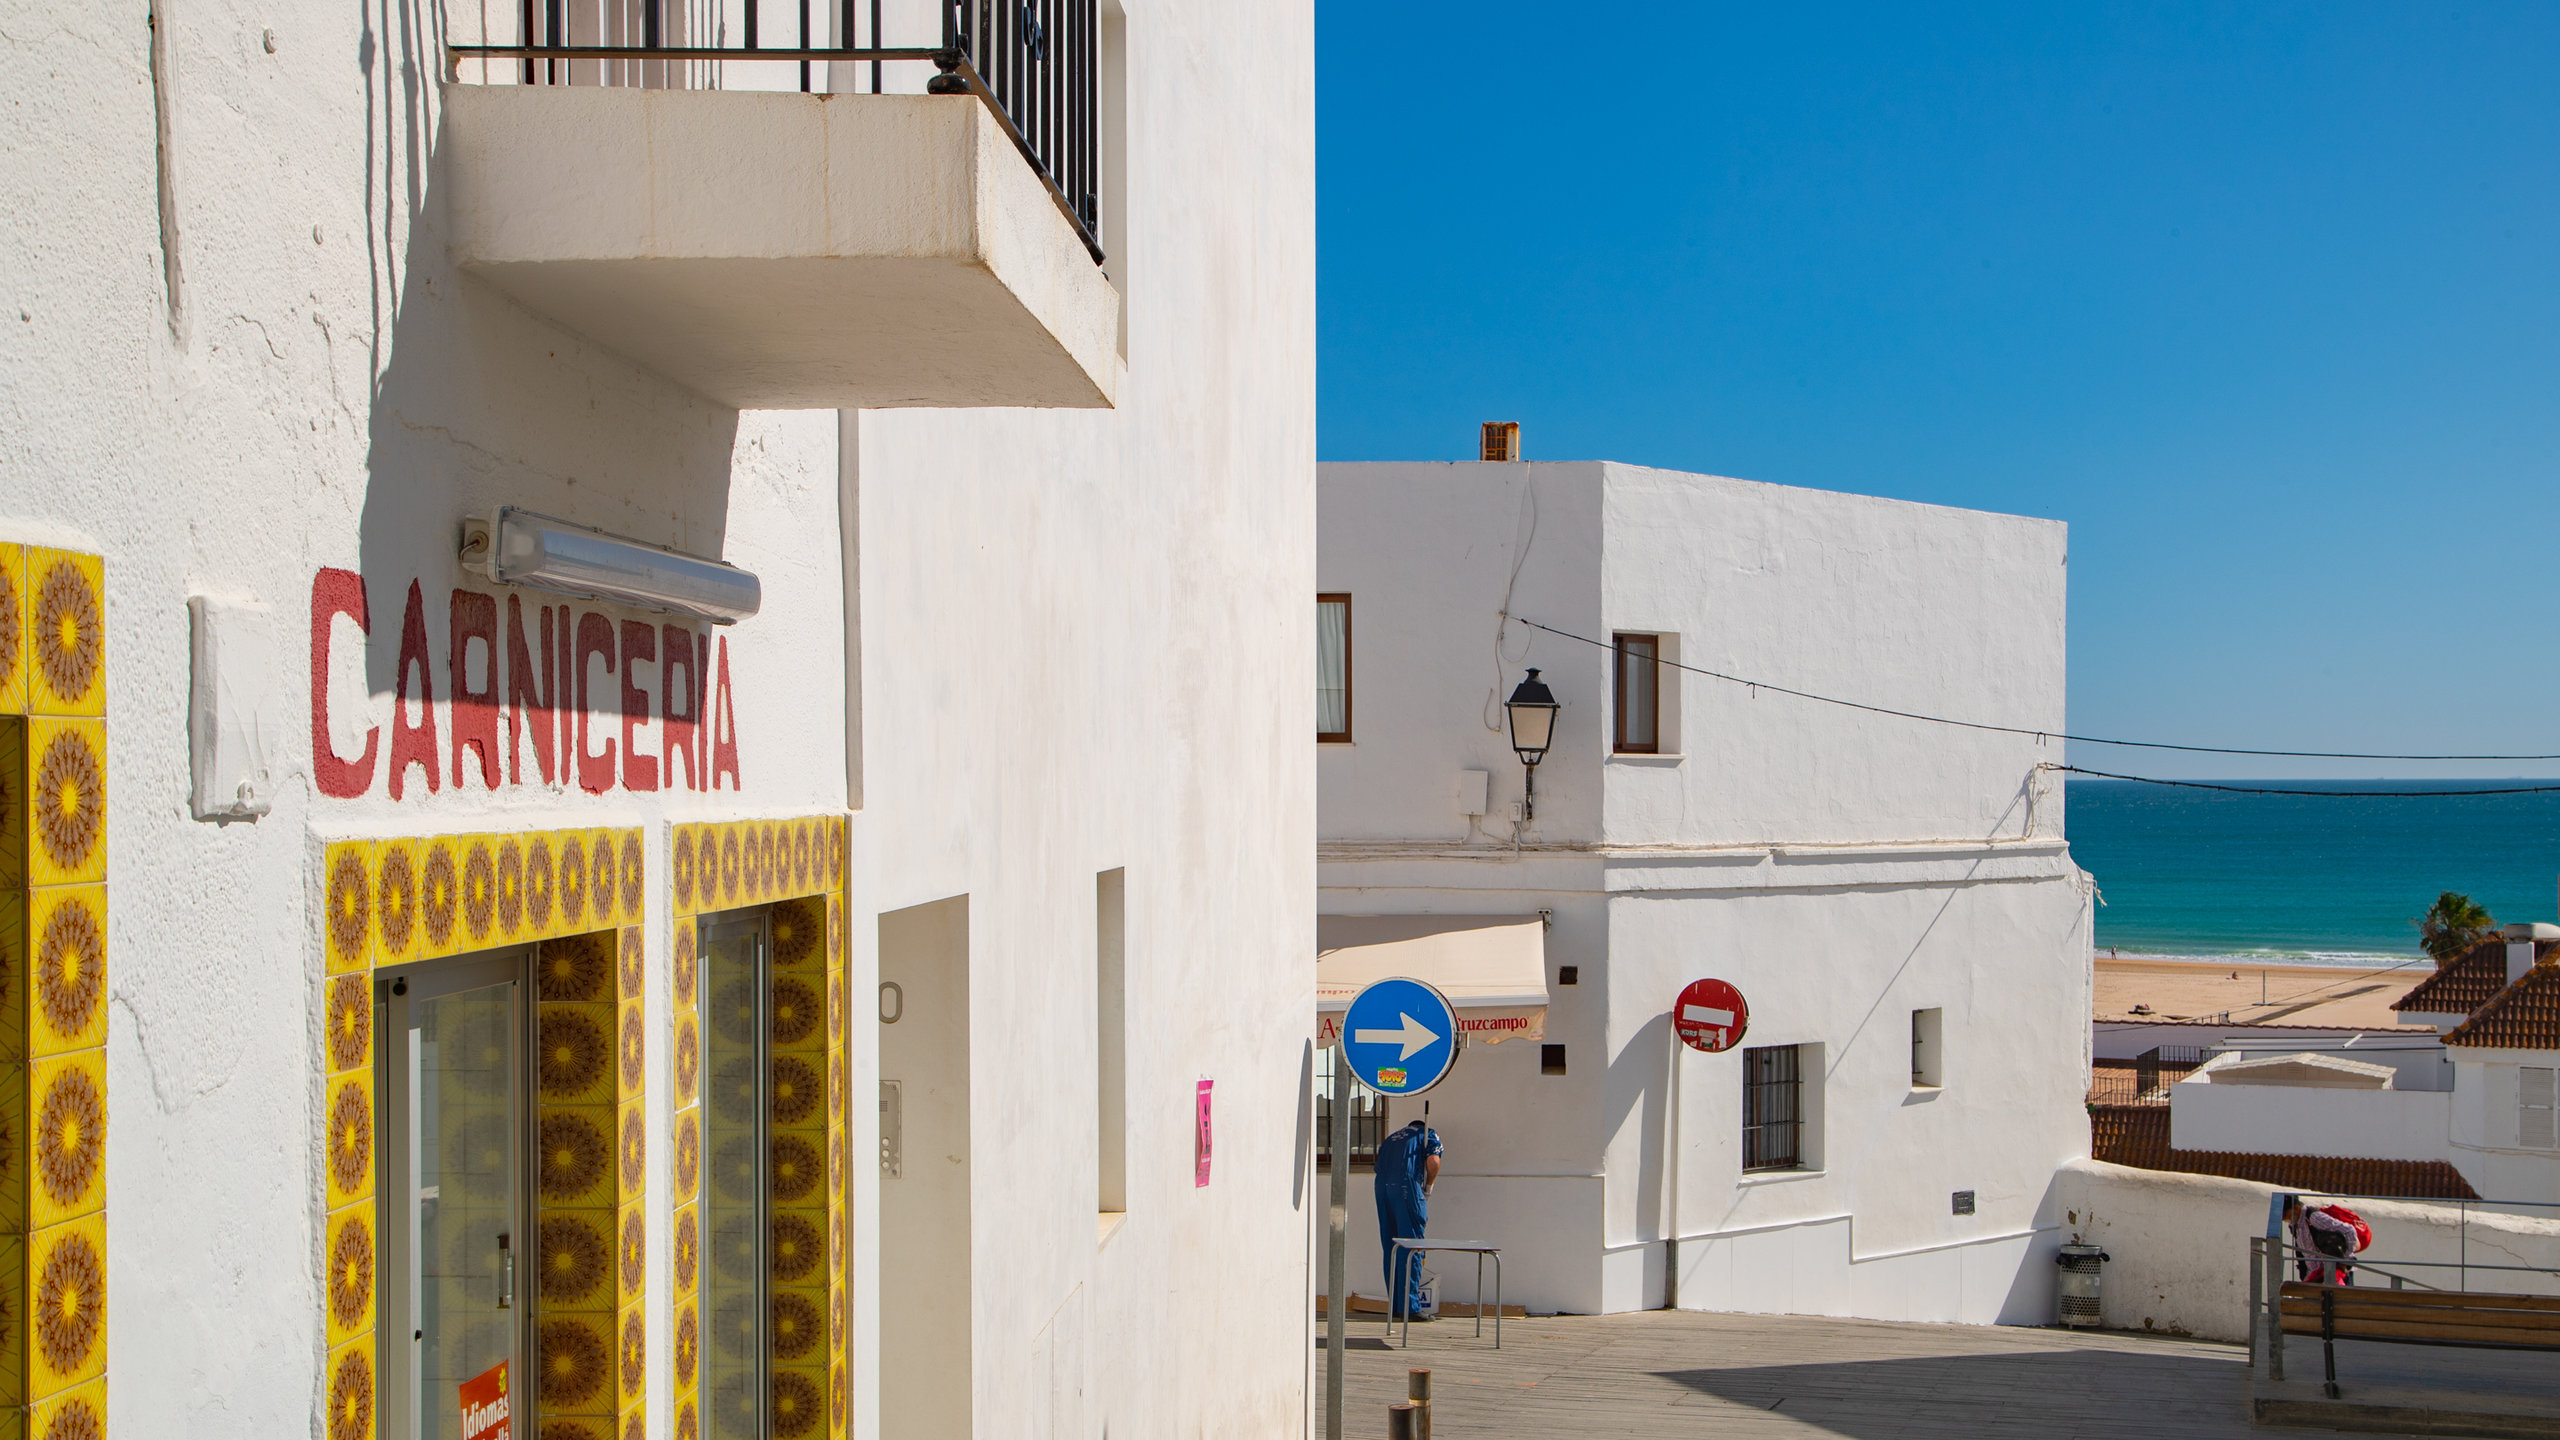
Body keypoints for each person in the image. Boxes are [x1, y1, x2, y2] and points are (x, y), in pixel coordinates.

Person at [1373, 1114, 1443, 1320]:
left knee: (1391, 1246)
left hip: (1382, 1188)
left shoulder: (1392, 1137)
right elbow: (1434, 1161)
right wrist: (1428, 1186)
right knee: (1412, 1244)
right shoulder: (1428, 1134)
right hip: (1406, 1187)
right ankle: (1410, 1307)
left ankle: (1395, 1304)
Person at [2285, 1195, 2370, 1285]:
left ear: (2297, 1208)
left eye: (2285, 1214)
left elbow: (2349, 1230)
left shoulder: (2314, 1217)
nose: (2284, 1219)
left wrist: (2346, 1261)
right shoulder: (2296, 1225)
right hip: (2317, 1277)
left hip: (2337, 1275)